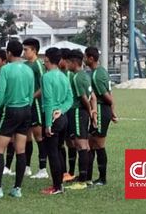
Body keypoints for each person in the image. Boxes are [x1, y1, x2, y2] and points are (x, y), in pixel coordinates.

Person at [0, 40, 33, 199]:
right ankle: (17, 188)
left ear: (9, 53)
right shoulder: (28, 69)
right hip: (26, 110)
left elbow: (0, 96)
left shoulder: (5, 70)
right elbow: (31, 93)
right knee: (20, 149)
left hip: (11, 110)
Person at [40, 48, 73, 195]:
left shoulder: (47, 77)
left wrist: (48, 124)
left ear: (47, 59)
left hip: (52, 119)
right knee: (59, 150)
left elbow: (48, 101)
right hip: (62, 118)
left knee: (52, 153)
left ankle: (57, 187)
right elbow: (70, 99)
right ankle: (59, 184)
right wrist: (62, 110)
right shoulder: (64, 76)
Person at [85, 46, 117, 186]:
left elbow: (108, 98)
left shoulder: (97, 75)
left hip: (100, 110)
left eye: (85, 57)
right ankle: (88, 177)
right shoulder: (101, 71)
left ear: (91, 58)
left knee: (99, 144)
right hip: (103, 111)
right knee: (91, 144)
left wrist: (109, 111)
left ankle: (102, 179)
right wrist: (113, 112)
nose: (84, 59)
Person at [65, 49, 94, 190]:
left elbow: (83, 98)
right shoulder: (85, 75)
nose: (67, 64)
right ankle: (86, 178)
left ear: (74, 63)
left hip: (78, 112)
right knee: (85, 145)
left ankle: (82, 181)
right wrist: (92, 113)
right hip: (83, 113)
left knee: (81, 145)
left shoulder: (76, 77)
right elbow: (91, 96)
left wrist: (89, 111)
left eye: (68, 62)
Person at [23, 38, 47, 179]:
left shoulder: (38, 65)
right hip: (26, 105)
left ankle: (43, 169)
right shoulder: (25, 65)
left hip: (36, 105)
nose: (24, 52)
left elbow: (43, 85)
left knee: (39, 136)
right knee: (26, 137)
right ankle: (27, 167)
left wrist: (32, 97)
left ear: (34, 50)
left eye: (26, 49)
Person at [59, 48, 76, 182]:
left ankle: (70, 171)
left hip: (70, 112)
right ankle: (64, 171)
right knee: (63, 142)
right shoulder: (59, 73)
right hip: (62, 112)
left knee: (71, 142)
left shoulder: (70, 75)